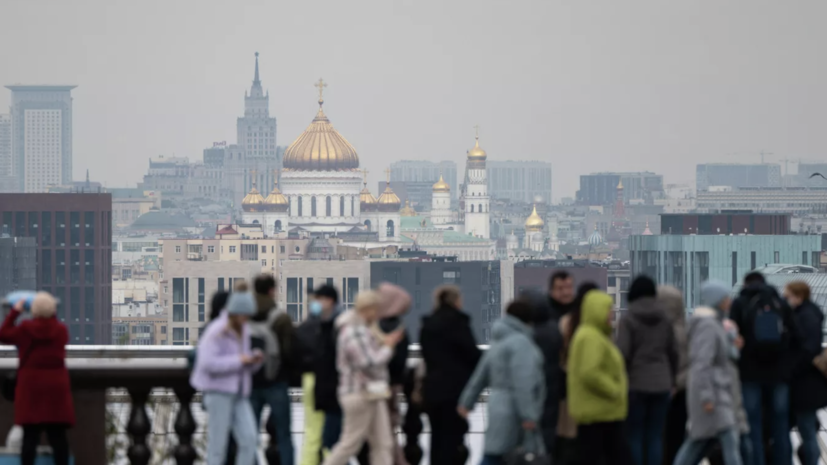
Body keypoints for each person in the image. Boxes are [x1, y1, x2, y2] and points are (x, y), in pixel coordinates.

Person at [321, 291, 405, 465]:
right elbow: (367, 362)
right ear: (368, 309)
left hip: (371, 392)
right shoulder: (354, 331)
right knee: (350, 443)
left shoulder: (359, 329)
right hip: (359, 393)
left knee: (383, 443)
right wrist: (388, 347)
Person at [458, 299, 545, 465]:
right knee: (510, 457)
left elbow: (480, 375)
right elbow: (523, 382)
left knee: (494, 453)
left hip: (496, 405)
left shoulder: (498, 342)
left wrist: (466, 402)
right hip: (514, 409)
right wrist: (528, 415)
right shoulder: (521, 343)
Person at [729, 272, 797, 465]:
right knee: (781, 425)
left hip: (750, 373)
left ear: (745, 284)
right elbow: (795, 336)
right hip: (779, 374)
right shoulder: (780, 303)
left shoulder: (740, 303)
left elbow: (733, 339)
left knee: (752, 425)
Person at [0, 293, 74, 465]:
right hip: (56, 388)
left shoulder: (26, 329)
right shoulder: (61, 330)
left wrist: (15, 312)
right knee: (58, 436)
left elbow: (3, 334)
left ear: (33, 311)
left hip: (31, 387)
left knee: (30, 436)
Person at [190, 291, 263, 465]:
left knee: (250, 439)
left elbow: (241, 363)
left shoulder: (243, 330)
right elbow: (207, 363)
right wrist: (240, 360)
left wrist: (253, 361)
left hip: (239, 392)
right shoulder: (216, 330)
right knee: (218, 446)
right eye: (245, 315)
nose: (247, 319)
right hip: (218, 393)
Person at [673, 280, 742, 465]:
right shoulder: (708, 326)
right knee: (725, 440)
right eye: (725, 298)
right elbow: (701, 363)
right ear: (717, 300)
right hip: (713, 395)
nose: (729, 302)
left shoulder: (714, 324)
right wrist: (706, 397)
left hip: (716, 393)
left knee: (699, 443)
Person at [615, 276, 677, 465]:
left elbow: (623, 353)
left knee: (635, 435)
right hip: (662, 383)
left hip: (636, 383)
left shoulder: (628, 319)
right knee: (655, 436)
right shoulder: (665, 319)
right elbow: (673, 352)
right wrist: (672, 380)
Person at [567, 289, 631, 465]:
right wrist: (614, 390)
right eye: (608, 309)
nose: (611, 314)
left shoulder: (595, 335)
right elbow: (589, 372)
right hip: (599, 412)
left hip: (601, 411)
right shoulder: (590, 337)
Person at [420, 286, 481, 465]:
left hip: (432, 389)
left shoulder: (427, 325)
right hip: (455, 390)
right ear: (456, 301)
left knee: (437, 437)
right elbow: (472, 354)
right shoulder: (458, 324)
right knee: (453, 438)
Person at [249, 274, 296, 465]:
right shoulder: (281, 318)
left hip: (250, 382)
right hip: (276, 381)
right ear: (272, 290)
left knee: (249, 435)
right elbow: (290, 352)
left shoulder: (243, 317)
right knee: (284, 433)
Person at [784, 281, 827, 465]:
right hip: (807, 383)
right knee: (807, 428)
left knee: (807, 429)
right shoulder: (809, 314)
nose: (786, 300)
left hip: (804, 384)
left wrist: (790, 368)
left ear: (798, 296)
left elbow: (807, 349)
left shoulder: (805, 316)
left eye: (788, 296)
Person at [556, 281, 598, 464]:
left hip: (569, 386)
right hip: (593, 390)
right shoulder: (599, 326)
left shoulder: (566, 322)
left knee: (569, 437)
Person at [520, 288, 563, 455]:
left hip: (531, 387)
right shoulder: (554, 329)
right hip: (553, 387)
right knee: (549, 429)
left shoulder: (526, 334)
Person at [377, 283, 412, 465]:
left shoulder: (378, 326)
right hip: (393, 384)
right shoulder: (399, 327)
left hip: (377, 385)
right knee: (390, 427)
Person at [311, 284, 344, 455]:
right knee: (333, 441)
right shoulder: (323, 323)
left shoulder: (337, 325)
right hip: (329, 390)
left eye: (318, 299)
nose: (315, 303)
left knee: (332, 440)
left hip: (336, 390)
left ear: (329, 300)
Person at [658, 285, 689, 465]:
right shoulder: (686, 330)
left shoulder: (657, 331)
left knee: (660, 434)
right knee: (678, 434)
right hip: (683, 389)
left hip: (660, 387)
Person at [296, 288, 326, 465]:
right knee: (331, 433)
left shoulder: (302, 329)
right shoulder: (332, 327)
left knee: (311, 431)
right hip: (329, 380)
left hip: (308, 378)